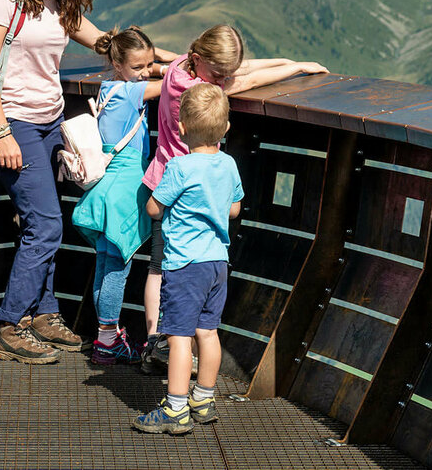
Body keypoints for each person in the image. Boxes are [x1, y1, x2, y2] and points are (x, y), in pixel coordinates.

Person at [0, 0, 174, 364]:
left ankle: (44, 313)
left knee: (43, 223)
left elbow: (109, 44)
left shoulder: (58, 3)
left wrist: (169, 63)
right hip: (16, 124)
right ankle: (10, 326)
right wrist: (3, 131)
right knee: (46, 225)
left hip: (51, 121)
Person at [139, 24, 327, 373]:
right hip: (189, 190)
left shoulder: (181, 66)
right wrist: (294, 67)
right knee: (172, 266)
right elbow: (247, 80)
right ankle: (166, 341)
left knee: (159, 264)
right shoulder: (198, 90)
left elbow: (245, 68)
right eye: (220, 72)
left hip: (165, 178)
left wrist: (293, 61)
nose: (224, 77)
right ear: (201, 60)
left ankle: (157, 338)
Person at [133, 83, 242, 434]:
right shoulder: (228, 164)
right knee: (207, 332)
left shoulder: (179, 168)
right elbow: (234, 209)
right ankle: (203, 398)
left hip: (184, 264)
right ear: (225, 129)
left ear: (180, 129)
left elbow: (154, 207)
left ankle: (175, 409)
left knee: (179, 337)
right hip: (217, 263)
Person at [71, 27, 164, 365]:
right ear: (117, 63)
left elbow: (155, 73)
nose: (145, 72)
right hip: (125, 188)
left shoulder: (109, 87)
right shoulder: (131, 93)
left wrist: (158, 64)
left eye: (149, 65)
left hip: (106, 186)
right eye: (139, 67)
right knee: (117, 269)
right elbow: (173, 84)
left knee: (105, 263)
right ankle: (108, 343)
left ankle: (105, 338)